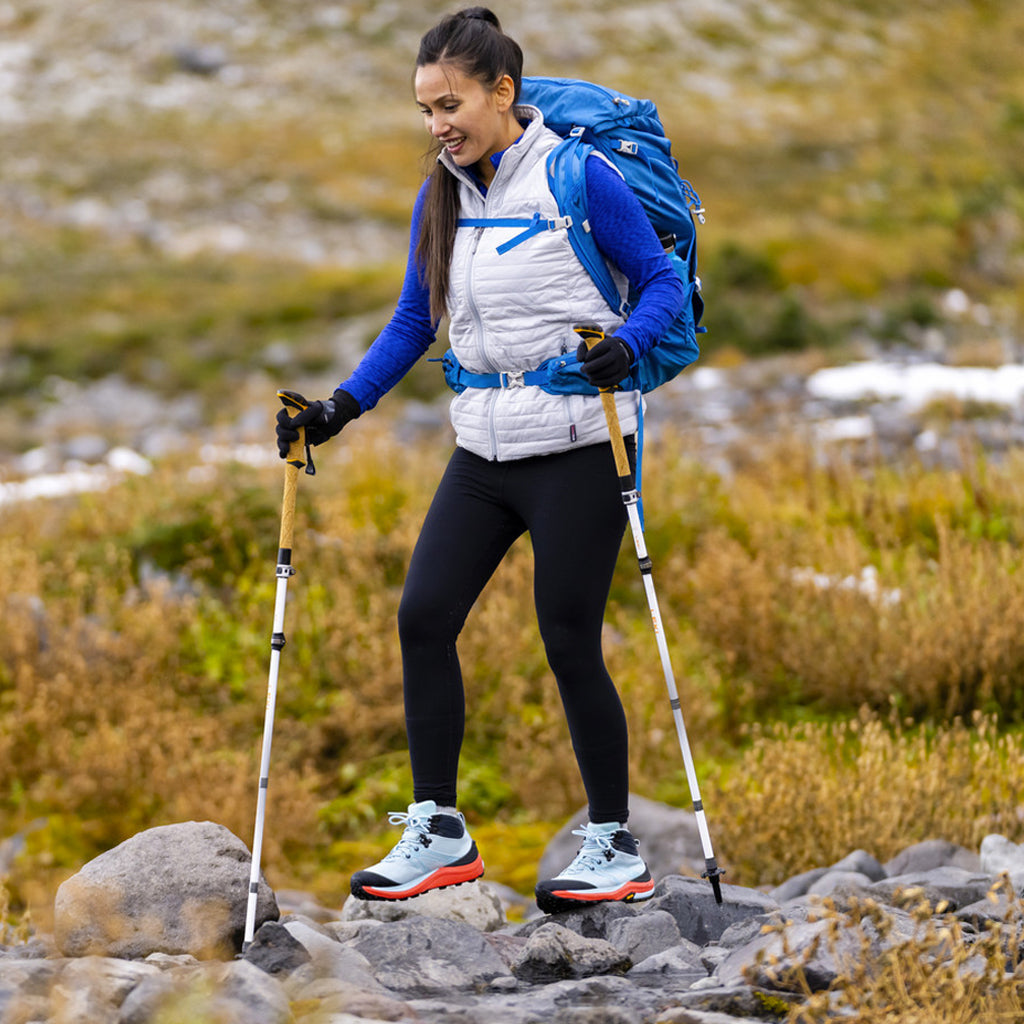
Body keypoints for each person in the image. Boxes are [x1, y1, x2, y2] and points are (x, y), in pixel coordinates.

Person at [276, 6, 686, 913]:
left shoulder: (582, 175)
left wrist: (627, 343)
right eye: (426, 109)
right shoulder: (445, 190)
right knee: (424, 617)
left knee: (569, 638)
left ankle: (614, 843)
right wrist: (341, 407)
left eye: (451, 103)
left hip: (581, 442)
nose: (439, 125)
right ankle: (441, 831)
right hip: (484, 447)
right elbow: (416, 318)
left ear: (504, 92)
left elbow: (658, 279)